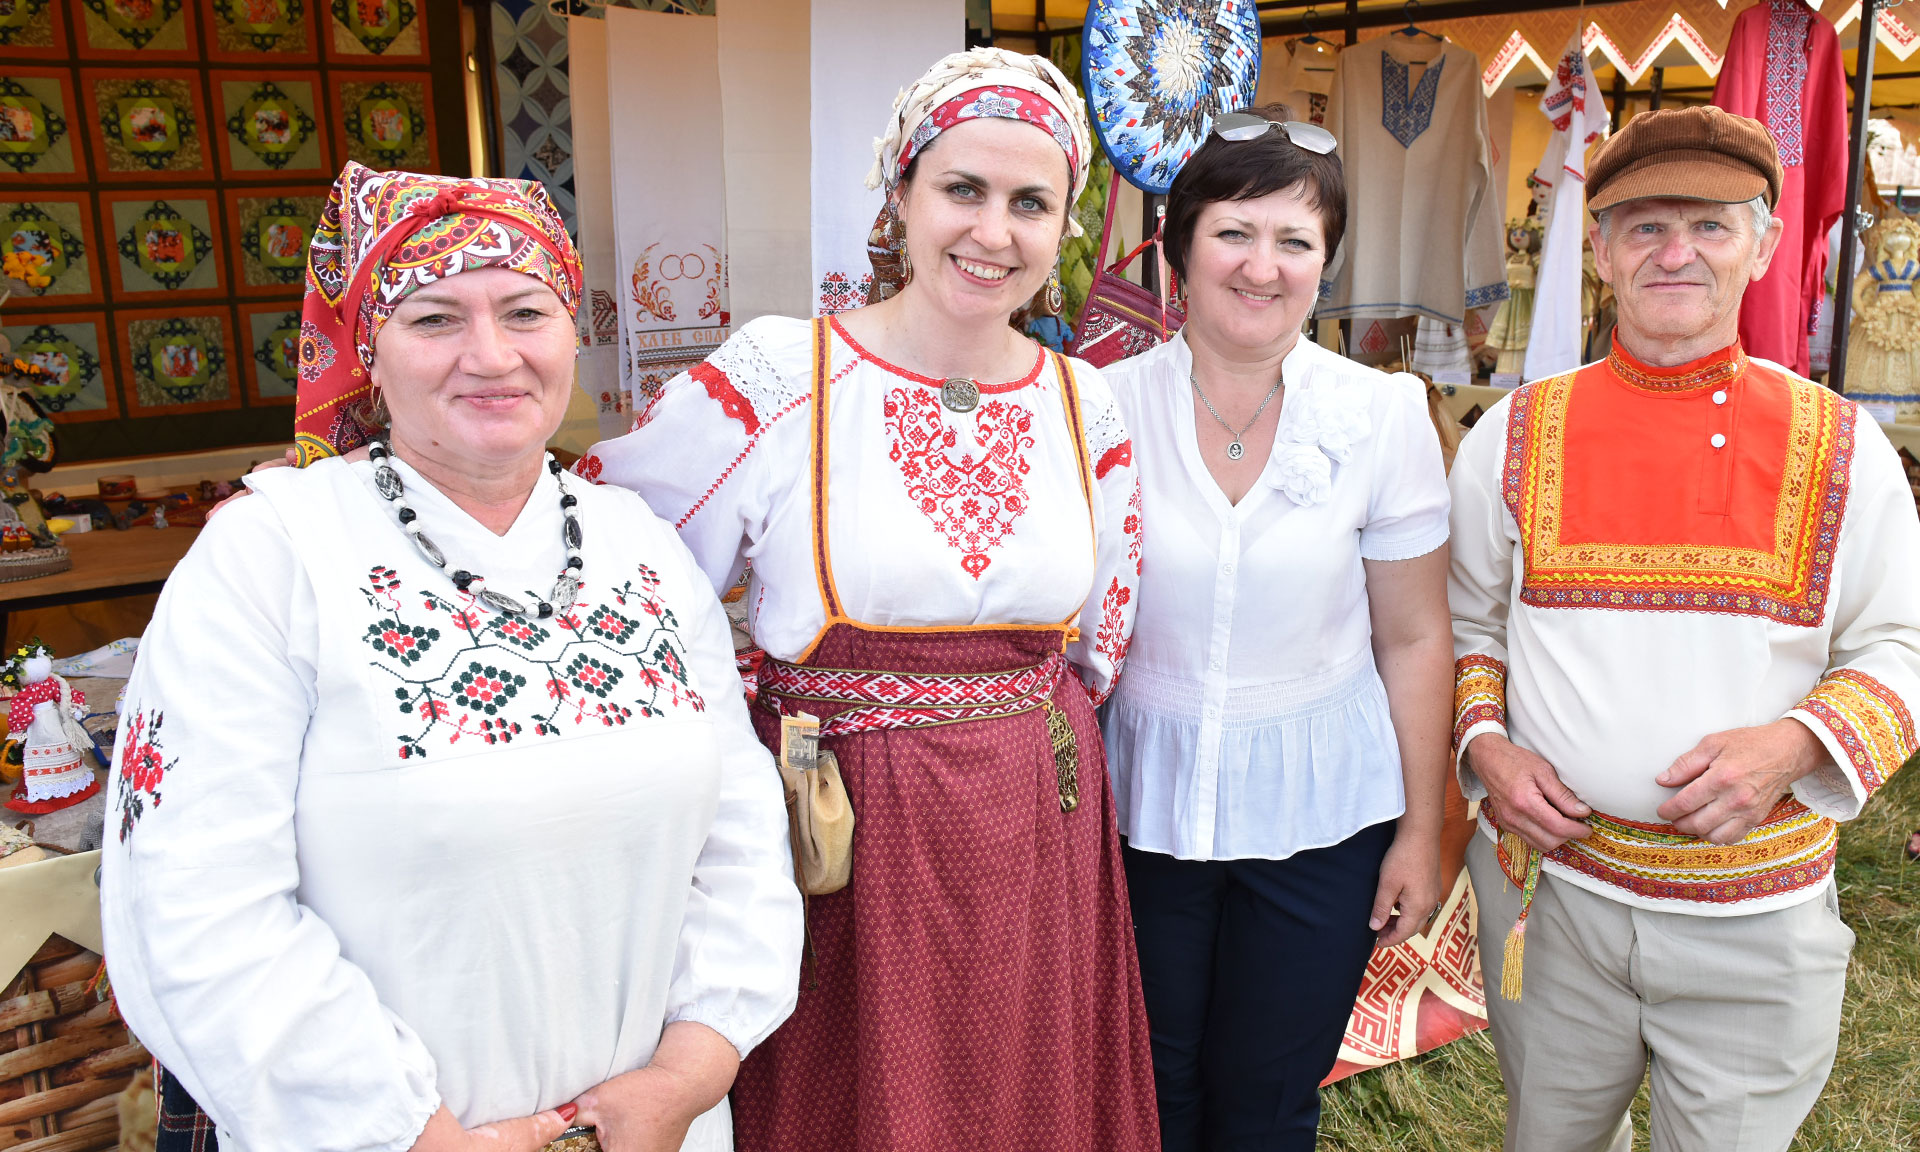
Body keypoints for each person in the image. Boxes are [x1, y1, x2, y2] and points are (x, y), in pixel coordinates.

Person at [100, 162, 803, 1152]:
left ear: (571, 332)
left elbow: (741, 842)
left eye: (526, 313)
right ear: (369, 353)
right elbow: (196, 901)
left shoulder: (640, 544)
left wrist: (685, 1075)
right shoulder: (271, 557)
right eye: (435, 319)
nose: (492, 356)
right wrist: (410, 1133)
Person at [575, 47, 1158, 1152]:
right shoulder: (782, 377)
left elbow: (1103, 639)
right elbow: (618, 564)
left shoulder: (1087, 404)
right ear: (900, 192)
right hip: (844, 824)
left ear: (1063, 227)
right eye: (963, 189)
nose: (993, 232)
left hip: (1038, 812)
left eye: (1030, 204)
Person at [1449, 105, 1920, 1152]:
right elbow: (1468, 625)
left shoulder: (1844, 447)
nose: (1676, 252)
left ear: (1764, 243)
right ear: (1601, 250)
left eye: (1711, 225)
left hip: (1756, 922)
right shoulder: (1512, 436)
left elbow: (1900, 649)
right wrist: (1488, 749)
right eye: (1646, 226)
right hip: (1555, 903)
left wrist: (1794, 744)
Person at [1099, 105, 1453, 1150]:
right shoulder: (1097, 406)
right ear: (1181, 249)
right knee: (1147, 1090)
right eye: (1234, 232)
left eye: (1295, 240)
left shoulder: (1382, 415)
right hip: (1137, 812)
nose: (1263, 266)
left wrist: (1420, 832)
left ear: (1325, 263)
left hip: (1322, 816)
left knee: (1268, 1101)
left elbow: (1413, 638)